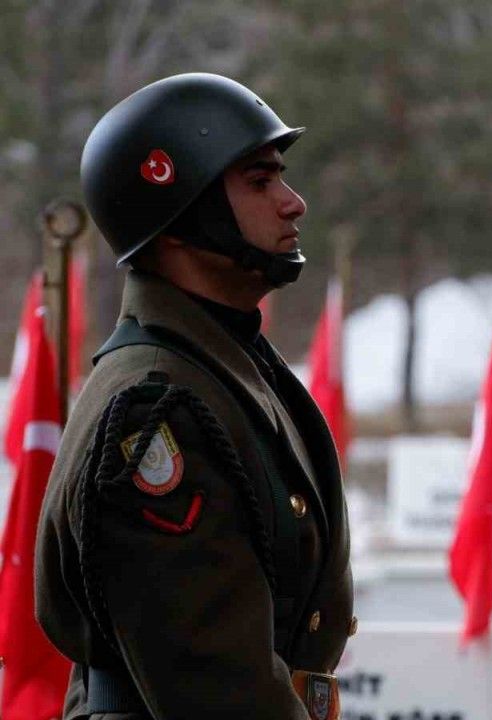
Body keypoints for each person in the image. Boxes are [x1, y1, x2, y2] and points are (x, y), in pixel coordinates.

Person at [34, 72, 353, 720]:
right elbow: (218, 691)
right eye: (260, 182)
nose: (293, 203)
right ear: (181, 215)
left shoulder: (219, 365)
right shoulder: (155, 411)